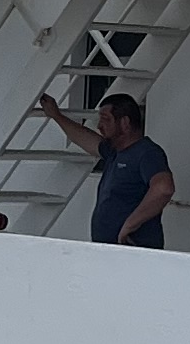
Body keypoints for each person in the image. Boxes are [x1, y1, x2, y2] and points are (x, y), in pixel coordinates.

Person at [34, 84, 174, 246]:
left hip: (133, 248)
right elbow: (86, 139)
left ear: (125, 122)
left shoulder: (146, 152)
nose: (100, 125)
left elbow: (163, 188)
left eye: (106, 119)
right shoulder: (115, 151)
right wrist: (56, 115)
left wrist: (130, 224)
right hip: (110, 248)